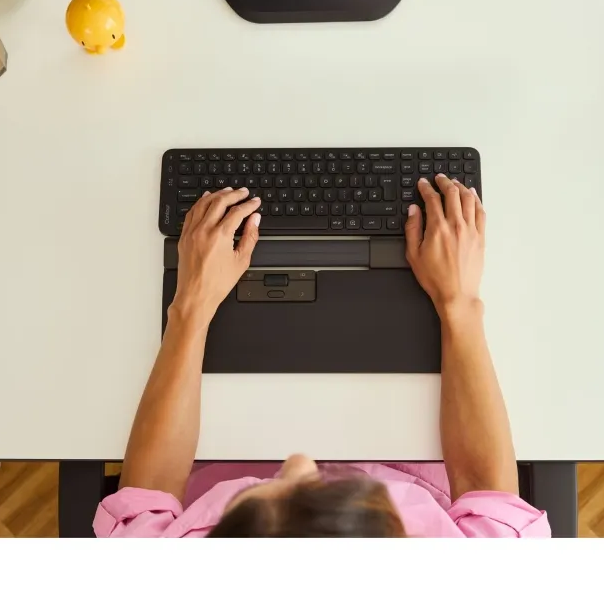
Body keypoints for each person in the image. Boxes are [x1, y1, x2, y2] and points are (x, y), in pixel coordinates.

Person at [94, 174, 551, 538]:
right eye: (316, 485)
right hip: (415, 470)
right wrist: (459, 302)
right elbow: (487, 491)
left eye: (276, 488)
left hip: (214, 459)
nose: (299, 460)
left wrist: (191, 305)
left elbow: (146, 494)